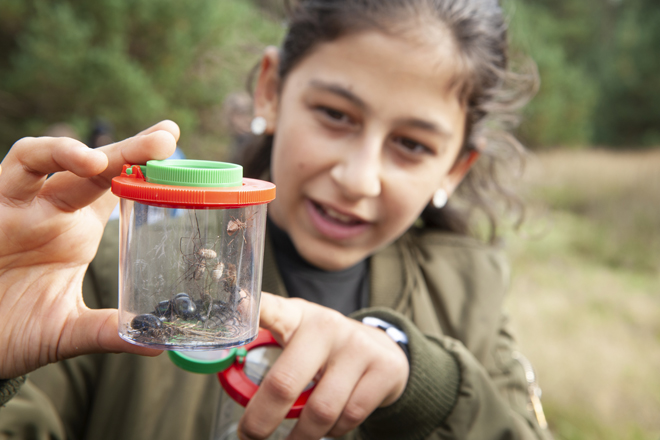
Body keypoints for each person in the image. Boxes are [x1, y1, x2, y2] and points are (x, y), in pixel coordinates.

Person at [0, 0, 551, 439]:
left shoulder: (470, 294)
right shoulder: (105, 276)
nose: (358, 178)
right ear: (271, 88)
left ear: (455, 168)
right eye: (335, 115)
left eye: (411, 144)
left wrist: (421, 388)